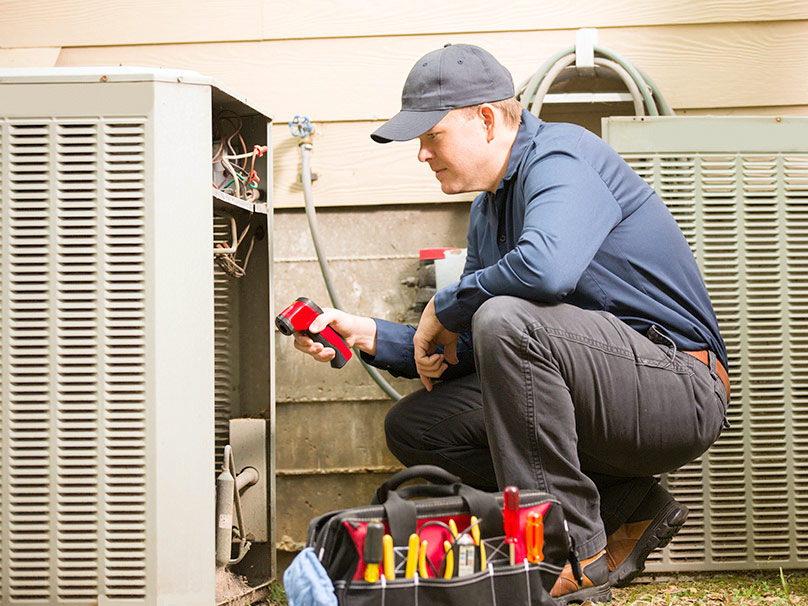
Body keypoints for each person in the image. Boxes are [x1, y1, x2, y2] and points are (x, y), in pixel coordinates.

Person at [292, 43, 729, 604]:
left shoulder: (563, 157)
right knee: (417, 426)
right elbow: (482, 346)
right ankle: (628, 506)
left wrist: (445, 305)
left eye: (432, 135)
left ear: (487, 119)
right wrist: (369, 335)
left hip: (678, 389)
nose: (421, 154)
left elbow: (543, 273)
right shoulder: (487, 208)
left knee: (504, 316)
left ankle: (567, 551)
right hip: (596, 396)